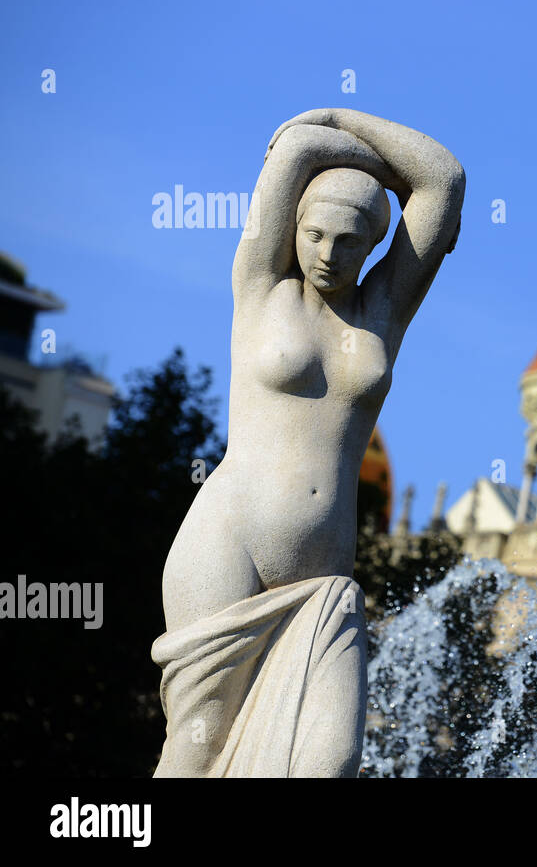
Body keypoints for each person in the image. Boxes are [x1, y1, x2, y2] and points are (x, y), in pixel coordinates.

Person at [153, 109, 464, 777]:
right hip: (226, 540)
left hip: (323, 577)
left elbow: (441, 179)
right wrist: (325, 137)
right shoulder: (261, 286)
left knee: (331, 760)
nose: (328, 252)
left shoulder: (381, 311)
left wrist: (338, 119)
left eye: (351, 240)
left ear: (375, 242)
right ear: (292, 227)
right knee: (196, 745)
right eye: (315, 234)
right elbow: (294, 148)